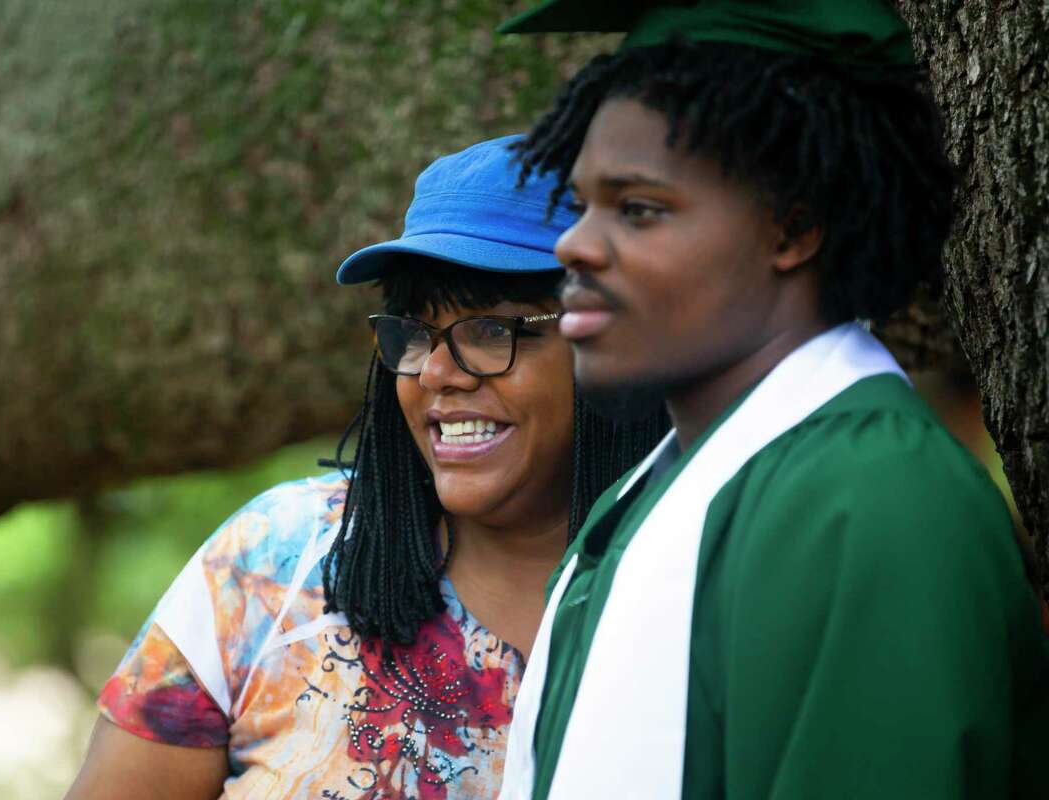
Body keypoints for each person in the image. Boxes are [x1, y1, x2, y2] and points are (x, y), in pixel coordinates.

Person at [491, 1, 1049, 798]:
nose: (572, 244)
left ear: (792, 231)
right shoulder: (650, 494)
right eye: (581, 206)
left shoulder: (870, 501)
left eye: (639, 209)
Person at [65, 135, 668, 799]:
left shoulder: (692, 596)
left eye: (493, 330)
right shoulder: (274, 562)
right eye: (415, 331)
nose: (436, 372)